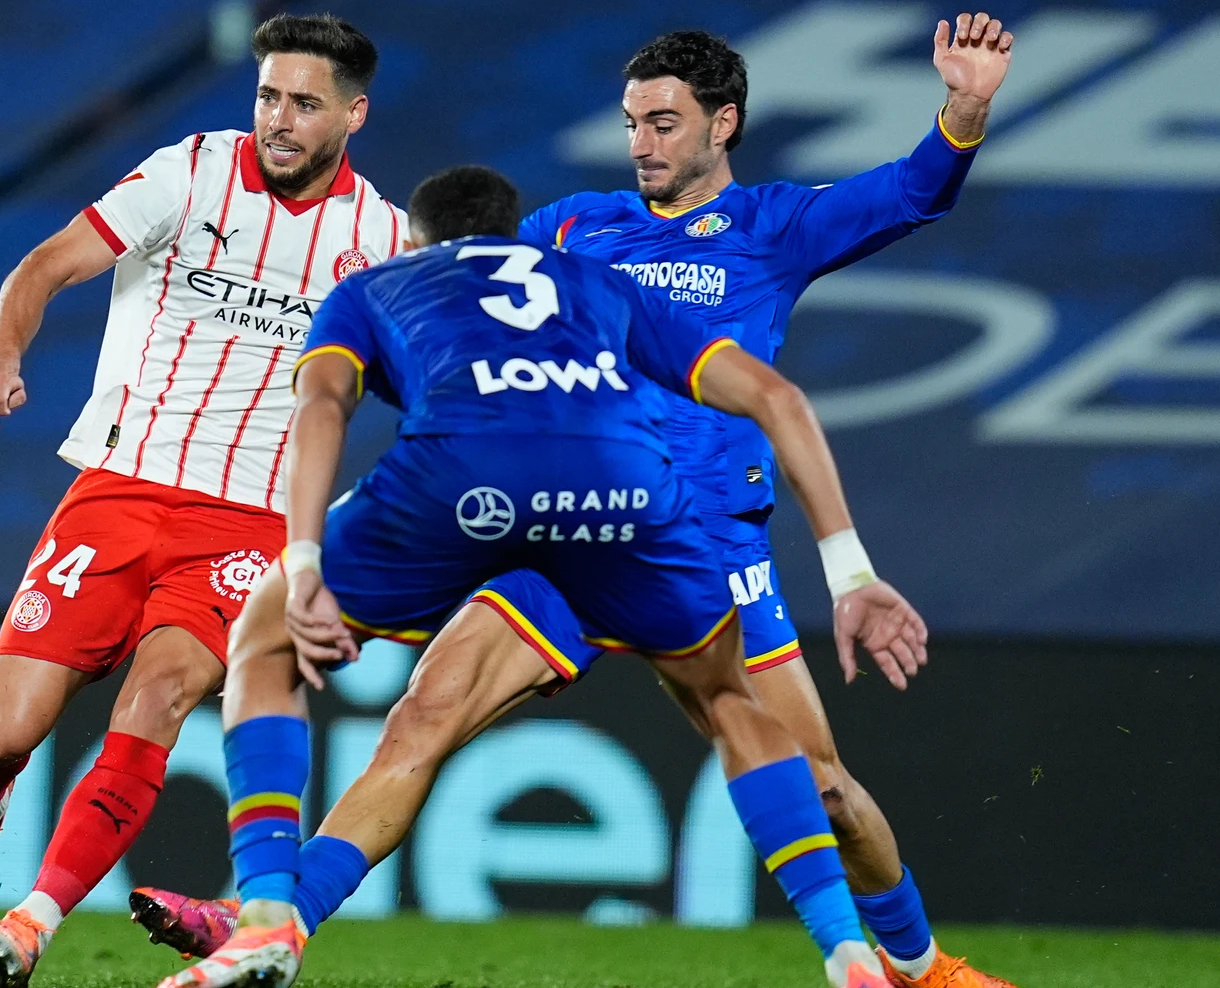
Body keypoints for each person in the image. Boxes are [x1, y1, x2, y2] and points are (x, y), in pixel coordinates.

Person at [152, 165, 928, 988]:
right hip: (631, 502)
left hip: (477, 482)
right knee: (716, 701)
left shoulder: (380, 285)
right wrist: (851, 572)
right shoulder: (596, 281)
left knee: (265, 637)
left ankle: (267, 914)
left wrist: (303, 559)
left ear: (420, 241)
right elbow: (778, 398)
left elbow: (320, 408)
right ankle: (849, 956)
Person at [517, 17, 1019, 988]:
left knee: (821, 787)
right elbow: (469, 275)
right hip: (581, 539)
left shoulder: (773, 227)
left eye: (663, 123)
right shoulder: (573, 226)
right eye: (631, 123)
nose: (640, 144)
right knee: (426, 713)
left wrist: (964, 107)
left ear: (723, 124)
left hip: (711, 548)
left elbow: (913, 192)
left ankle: (922, 971)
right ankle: (273, 909)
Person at [0, 13, 406, 988]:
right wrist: (0, 357)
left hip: (248, 522)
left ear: (353, 114)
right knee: (5, 734)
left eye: (304, 103)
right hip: (120, 488)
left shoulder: (384, 238)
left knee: (162, 693)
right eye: (268, 95)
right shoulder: (189, 171)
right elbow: (47, 263)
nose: (277, 119)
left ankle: (33, 920)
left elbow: (408, 376)